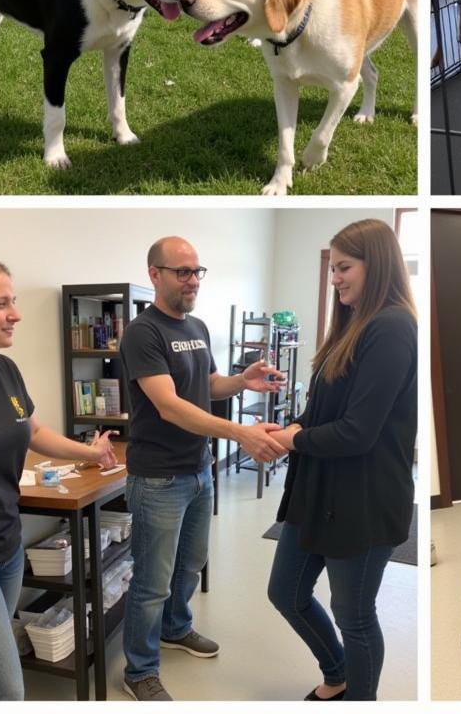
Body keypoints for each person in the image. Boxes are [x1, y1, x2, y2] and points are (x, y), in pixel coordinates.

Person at [0, 254, 118, 701]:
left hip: (6, 552)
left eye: (13, 301)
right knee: (3, 694)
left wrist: (90, 452)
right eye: (0, 304)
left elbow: (34, 431)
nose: (15, 314)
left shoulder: (4, 369)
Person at [119, 236, 287, 702]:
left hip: (198, 470)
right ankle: (139, 670)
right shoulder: (142, 333)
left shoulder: (196, 325)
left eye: (197, 271)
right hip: (158, 478)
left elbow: (207, 384)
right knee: (152, 580)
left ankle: (176, 628)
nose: (192, 280)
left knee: (190, 565)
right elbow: (170, 406)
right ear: (155, 274)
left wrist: (241, 379)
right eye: (182, 272)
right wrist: (241, 433)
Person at [266, 219, 417, 701]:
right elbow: (327, 409)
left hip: (362, 500)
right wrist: (289, 427)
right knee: (285, 593)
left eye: (344, 267)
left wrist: (295, 439)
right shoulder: (352, 325)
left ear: (379, 264)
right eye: (333, 268)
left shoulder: (392, 327)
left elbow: (358, 432)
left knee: (354, 614)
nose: (335, 278)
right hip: (319, 490)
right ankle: (338, 671)